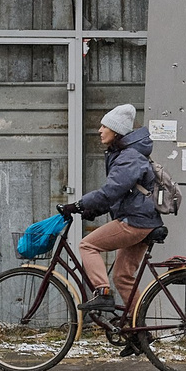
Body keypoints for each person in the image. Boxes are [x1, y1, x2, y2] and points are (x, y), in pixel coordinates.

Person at [63, 103, 160, 318]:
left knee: (87, 245)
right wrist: (93, 210)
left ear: (115, 131)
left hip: (135, 222)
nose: (99, 130)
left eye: (104, 126)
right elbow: (122, 194)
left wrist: (80, 205)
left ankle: (102, 292)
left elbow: (111, 191)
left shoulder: (129, 156)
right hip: (142, 220)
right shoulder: (127, 154)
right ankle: (138, 330)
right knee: (123, 277)